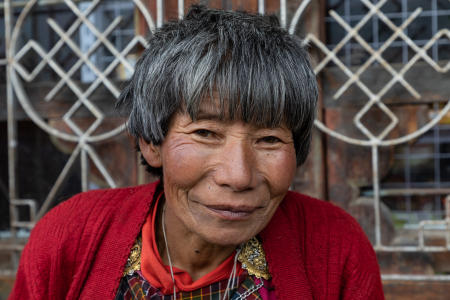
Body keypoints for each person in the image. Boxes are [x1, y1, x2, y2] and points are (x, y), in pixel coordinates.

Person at [9, 5, 384, 300]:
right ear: (152, 141)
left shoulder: (334, 247)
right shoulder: (71, 236)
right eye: (205, 132)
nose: (237, 176)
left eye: (269, 139)